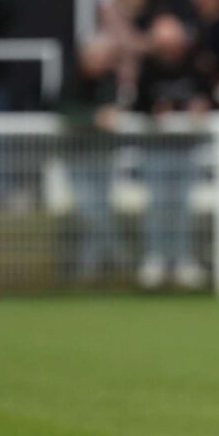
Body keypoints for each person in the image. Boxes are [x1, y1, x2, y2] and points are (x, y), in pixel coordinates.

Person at [134, 14, 212, 290]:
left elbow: (209, 97)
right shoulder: (148, 68)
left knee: (183, 207)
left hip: (186, 148)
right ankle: (155, 258)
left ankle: (183, 259)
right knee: (157, 204)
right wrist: (154, 111)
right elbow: (138, 103)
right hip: (156, 149)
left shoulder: (195, 65)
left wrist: (201, 106)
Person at [58, 37, 127, 282]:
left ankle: (90, 269)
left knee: (101, 210)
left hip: (102, 156)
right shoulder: (71, 80)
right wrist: (93, 118)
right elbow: (62, 108)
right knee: (91, 211)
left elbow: (114, 108)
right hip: (77, 157)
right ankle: (118, 259)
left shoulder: (109, 80)